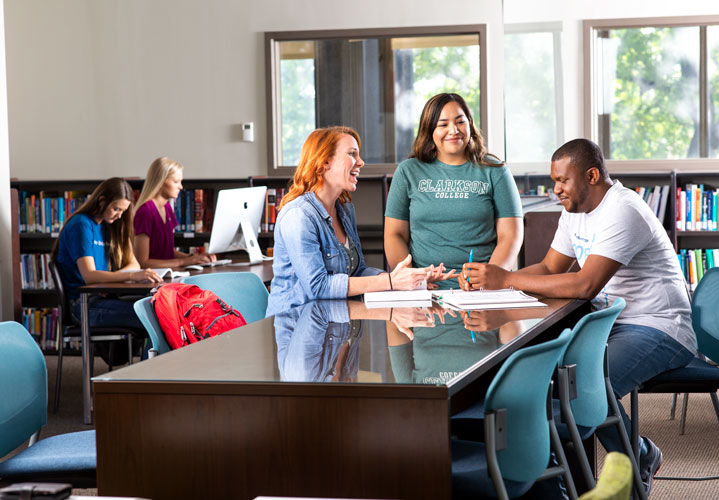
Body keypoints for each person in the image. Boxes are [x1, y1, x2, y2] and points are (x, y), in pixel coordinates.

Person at [459, 138, 697, 495]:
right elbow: (550, 267)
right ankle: (613, 462)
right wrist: (492, 282)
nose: (555, 190)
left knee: (583, 386)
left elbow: (585, 285)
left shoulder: (623, 210)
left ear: (592, 175)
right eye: (553, 181)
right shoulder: (573, 212)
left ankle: (634, 458)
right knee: (559, 379)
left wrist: (506, 279)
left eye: (562, 181)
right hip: (611, 322)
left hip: (659, 326)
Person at [266, 126, 454, 317]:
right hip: (297, 326)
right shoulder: (298, 216)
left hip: (334, 324)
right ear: (324, 162)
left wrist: (411, 280)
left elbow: (358, 272)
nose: (361, 162)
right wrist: (391, 282)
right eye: (352, 154)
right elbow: (318, 286)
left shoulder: (345, 211)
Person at [384, 93, 523, 287]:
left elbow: (511, 235)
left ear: (470, 124)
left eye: (460, 122)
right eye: (443, 124)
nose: (453, 130)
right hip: (423, 289)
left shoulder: (495, 170)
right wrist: (411, 279)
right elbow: (394, 234)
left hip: (482, 290)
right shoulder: (408, 171)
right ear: (429, 129)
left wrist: (489, 279)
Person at [51, 177, 162, 331]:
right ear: (101, 200)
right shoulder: (81, 224)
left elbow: (134, 264)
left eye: (123, 211)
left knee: (158, 305)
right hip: (83, 305)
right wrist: (130, 276)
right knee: (154, 316)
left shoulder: (110, 225)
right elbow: (89, 276)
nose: (119, 215)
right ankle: (152, 356)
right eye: (116, 209)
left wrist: (112, 280)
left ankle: (147, 355)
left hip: (106, 298)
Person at [134, 157, 216, 268]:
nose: (181, 187)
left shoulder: (167, 207)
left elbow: (167, 252)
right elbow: (142, 263)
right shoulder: (145, 211)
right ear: (161, 181)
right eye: (176, 182)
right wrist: (185, 262)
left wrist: (193, 257)